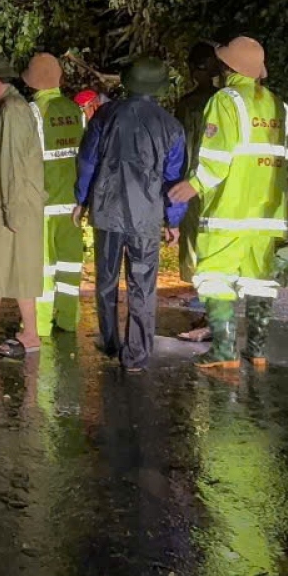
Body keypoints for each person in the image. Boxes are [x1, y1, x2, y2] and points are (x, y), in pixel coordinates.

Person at [168, 37, 288, 370]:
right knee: (259, 279)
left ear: (228, 67)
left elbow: (216, 158)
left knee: (215, 276)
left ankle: (224, 350)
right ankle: (257, 350)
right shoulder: (279, 106)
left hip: (229, 211)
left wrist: (193, 185)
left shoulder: (225, 101)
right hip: (268, 213)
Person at [73, 58, 189, 372]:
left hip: (107, 211)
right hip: (146, 217)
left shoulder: (105, 115)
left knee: (106, 280)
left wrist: (81, 200)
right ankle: (136, 354)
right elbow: (174, 179)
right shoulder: (170, 126)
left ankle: (110, 341)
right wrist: (174, 220)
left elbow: (88, 161)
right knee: (142, 284)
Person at [0, 53, 46, 360]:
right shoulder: (5, 108)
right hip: (2, 201)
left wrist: (13, 210)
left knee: (21, 266)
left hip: (14, 202)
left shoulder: (13, 110)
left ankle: (31, 333)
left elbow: (13, 163)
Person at [21, 53, 87, 332]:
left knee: (42, 266)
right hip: (73, 203)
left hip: (43, 203)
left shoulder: (32, 112)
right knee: (70, 263)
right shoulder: (76, 111)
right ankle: (68, 319)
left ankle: (41, 324)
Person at [174, 41, 223, 342]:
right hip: (218, 184)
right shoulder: (225, 101)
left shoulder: (188, 105)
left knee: (195, 247)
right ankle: (211, 312)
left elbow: (179, 150)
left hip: (192, 185)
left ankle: (210, 314)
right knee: (214, 247)